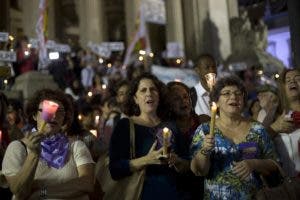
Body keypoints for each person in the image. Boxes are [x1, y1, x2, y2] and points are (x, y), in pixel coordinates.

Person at [190, 75, 278, 199]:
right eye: (226, 93)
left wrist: (254, 164)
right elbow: (198, 171)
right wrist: (204, 150)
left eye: (238, 93)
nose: (233, 97)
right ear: (217, 101)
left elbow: (274, 163)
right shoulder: (205, 130)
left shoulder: (257, 129)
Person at [2, 89, 94, 200]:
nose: (54, 115)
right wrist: (34, 154)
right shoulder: (17, 148)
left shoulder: (76, 146)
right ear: (35, 115)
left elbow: (86, 183)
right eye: (47, 110)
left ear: (64, 119)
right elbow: (19, 192)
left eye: (59, 111)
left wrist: (42, 193)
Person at [109, 73, 187, 200]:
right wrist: (147, 159)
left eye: (153, 89)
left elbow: (188, 165)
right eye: (143, 90)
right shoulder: (125, 126)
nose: (149, 93)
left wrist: (177, 161)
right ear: (135, 98)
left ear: (159, 96)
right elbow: (115, 169)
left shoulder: (171, 125)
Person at [167, 81, 210, 199]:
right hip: (179, 189)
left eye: (185, 96)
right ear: (169, 104)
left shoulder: (203, 121)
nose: (183, 101)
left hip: (205, 185)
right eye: (176, 99)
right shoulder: (166, 129)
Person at [273, 68, 300, 177]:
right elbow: (259, 140)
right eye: (288, 80)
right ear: (283, 88)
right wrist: (274, 128)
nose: (292, 82)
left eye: (298, 79)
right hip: (286, 186)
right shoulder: (274, 115)